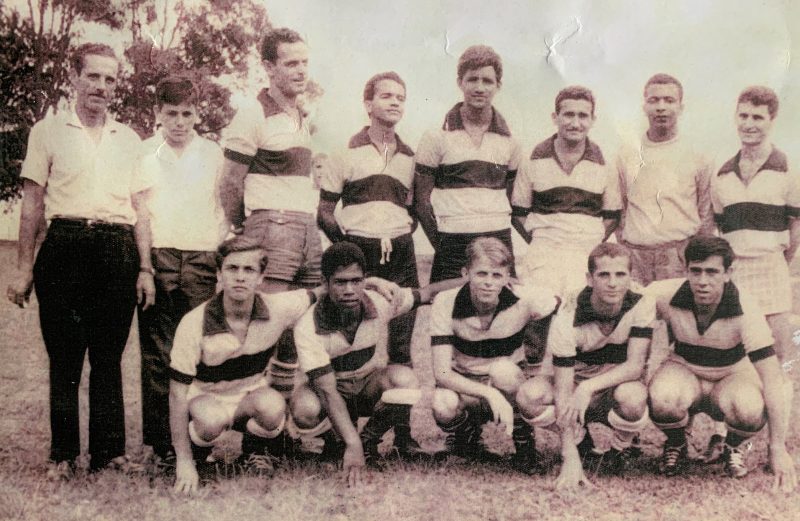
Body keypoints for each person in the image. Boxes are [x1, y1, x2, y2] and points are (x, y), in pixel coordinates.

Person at [6, 43, 155, 477]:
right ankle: (64, 456)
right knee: (66, 359)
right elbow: (32, 206)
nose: (102, 87)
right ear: (75, 78)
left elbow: (142, 210)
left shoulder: (129, 139)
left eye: (110, 79)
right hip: (65, 245)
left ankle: (109, 455)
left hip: (116, 249)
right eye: (94, 76)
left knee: (108, 358)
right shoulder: (47, 131)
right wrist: (23, 267)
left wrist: (144, 268)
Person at [290, 242, 459, 486]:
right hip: (331, 392)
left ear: (365, 280)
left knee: (405, 380)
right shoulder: (307, 325)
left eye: (356, 281)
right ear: (325, 282)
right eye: (340, 282)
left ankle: (369, 441)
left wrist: (471, 281)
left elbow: (428, 293)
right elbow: (327, 392)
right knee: (304, 408)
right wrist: (351, 443)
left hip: (365, 387)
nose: (349, 289)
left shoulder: (379, 301)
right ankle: (336, 444)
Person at [317, 72, 422, 457]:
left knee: (401, 344)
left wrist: (394, 234)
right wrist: (351, 252)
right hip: (358, 252)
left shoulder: (411, 157)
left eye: (400, 97)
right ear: (368, 104)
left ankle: (402, 435)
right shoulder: (344, 153)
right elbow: (325, 211)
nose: (394, 103)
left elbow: (412, 211)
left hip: (401, 252)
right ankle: (334, 434)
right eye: (386, 96)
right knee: (346, 343)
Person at [646, 237, 796, 492]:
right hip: (685, 367)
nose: (703, 281)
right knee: (663, 397)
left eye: (712, 272)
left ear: (728, 273)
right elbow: (622, 302)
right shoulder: (663, 293)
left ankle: (733, 446)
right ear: (686, 270)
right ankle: (677, 443)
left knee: (748, 409)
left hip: (732, 373)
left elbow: (772, 378)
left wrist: (777, 448)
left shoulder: (746, 307)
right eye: (696, 271)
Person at [137, 76, 228, 464]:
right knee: (158, 353)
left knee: (199, 350)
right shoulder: (144, 153)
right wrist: (145, 265)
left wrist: (218, 252)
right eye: (171, 113)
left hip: (202, 258)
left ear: (197, 113)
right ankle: (162, 446)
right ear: (158, 112)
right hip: (160, 256)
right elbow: (139, 212)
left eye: (187, 113)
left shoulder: (214, 154)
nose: (179, 121)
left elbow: (225, 207)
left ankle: (199, 440)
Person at [519, 243, 654, 489]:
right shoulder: (568, 316)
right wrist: (568, 458)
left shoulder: (642, 302)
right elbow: (562, 389)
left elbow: (635, 366)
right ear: (589, 279)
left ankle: (618, 450)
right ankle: (578, 441)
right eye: (604, 274)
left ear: (630, 278)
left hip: (613, 384)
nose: (613, 283)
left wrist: (588, 388)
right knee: (529, 396)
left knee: (634, 398)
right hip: (574, 382)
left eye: (620, 274)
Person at [711, 86, 798, 447]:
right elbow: (720, 229)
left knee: (777, 359)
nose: (749, 124)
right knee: (729, 354)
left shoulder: (789, 171)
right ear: (736, 118)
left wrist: (777, 261)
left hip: (772, 269)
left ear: (772, 121)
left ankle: (775, 442)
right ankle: (723, 436)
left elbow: (795, 233)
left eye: (758, 117)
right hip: (736, 275)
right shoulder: (722, 174)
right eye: (743, 116)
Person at [429, 237, 559, 475]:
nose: (489, 283)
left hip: (508, 382)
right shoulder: (445, 302)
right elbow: (442, 373)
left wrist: (535, 360)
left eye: (497, 275)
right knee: (442, 404)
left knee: (503, 370)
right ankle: (466, 437)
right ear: (465, 273)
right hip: (467, 384)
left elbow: (558, 306)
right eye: (481, 274)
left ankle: (524, 444)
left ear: (508, 277)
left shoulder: (526, 297)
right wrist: (488, 393)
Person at [220, 27, 321, 293]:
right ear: (269, 67)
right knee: (270, 315)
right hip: (271, 226)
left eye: (304, 63)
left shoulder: (303, 116)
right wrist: (246, 224)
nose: (301, 71)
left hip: (308, 228)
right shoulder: (252, 113)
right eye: (291, 64)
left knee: (306, 317)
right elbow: (230, 181)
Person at [414, 45, 521, 283]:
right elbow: (421, 202)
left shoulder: (511, 142)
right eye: (472, 79)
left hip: (498, 239)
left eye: (488, 81)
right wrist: (441, 244)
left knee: (504, 313)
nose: (480, 88)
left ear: (498, 86)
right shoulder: (435, 137)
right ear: (460, 82)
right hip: (452, 243)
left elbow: (513, 201)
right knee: (448, 313)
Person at [511, 86, 621, 297]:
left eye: (583, 115)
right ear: (555, 117)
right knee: (540, 313)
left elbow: (612, 217)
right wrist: (543, 239)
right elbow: (519, 214)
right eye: (568, 114)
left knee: (578, 316)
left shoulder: (605, 164)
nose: (575, 123)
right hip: (543, 255)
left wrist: (587, 240)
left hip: (585, 253)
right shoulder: (532, 160)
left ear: (593, 120)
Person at [616, 74, 714, 286]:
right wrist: (627, 248)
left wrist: (693, 256)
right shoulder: (627, 153)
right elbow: (621, 210)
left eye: (669, 100)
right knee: (637, 317)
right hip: (636, 258)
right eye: (654, 100)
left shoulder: (698, 155)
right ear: (644, 107)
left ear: (681, 107)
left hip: (679, 256)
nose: (661, 107)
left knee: (679, 317)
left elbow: (706, 212)